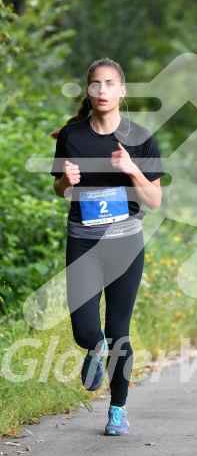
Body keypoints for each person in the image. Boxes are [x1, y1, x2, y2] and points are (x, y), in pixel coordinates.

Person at [50, 57, 165, 436]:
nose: (102, 91)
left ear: (122, 90)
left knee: (119, 329)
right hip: (83, 241)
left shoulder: (141, 136)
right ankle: (94, 348)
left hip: (124, 243)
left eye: (109, 83)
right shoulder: (73, 136)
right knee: (85, 329)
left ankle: (117, 409)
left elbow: (154, 200)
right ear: (89, 90)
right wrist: (66, 181)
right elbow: (59, 189)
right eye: (96, 84)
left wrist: (132, 168)